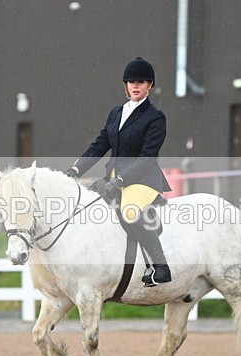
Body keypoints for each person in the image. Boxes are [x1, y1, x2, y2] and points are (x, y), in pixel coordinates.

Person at [66, 57, 172, 286]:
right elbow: (100, 144)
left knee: (130, 211)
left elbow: (147, 156)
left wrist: (123, 179)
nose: (136, 86)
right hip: (114, 177)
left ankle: (161, 266)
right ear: (125, 85)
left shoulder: (155, 116)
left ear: (150, 86)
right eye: (131, 81)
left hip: (143, 179)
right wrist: (76, 168)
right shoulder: (116, 113)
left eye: (141, 82)